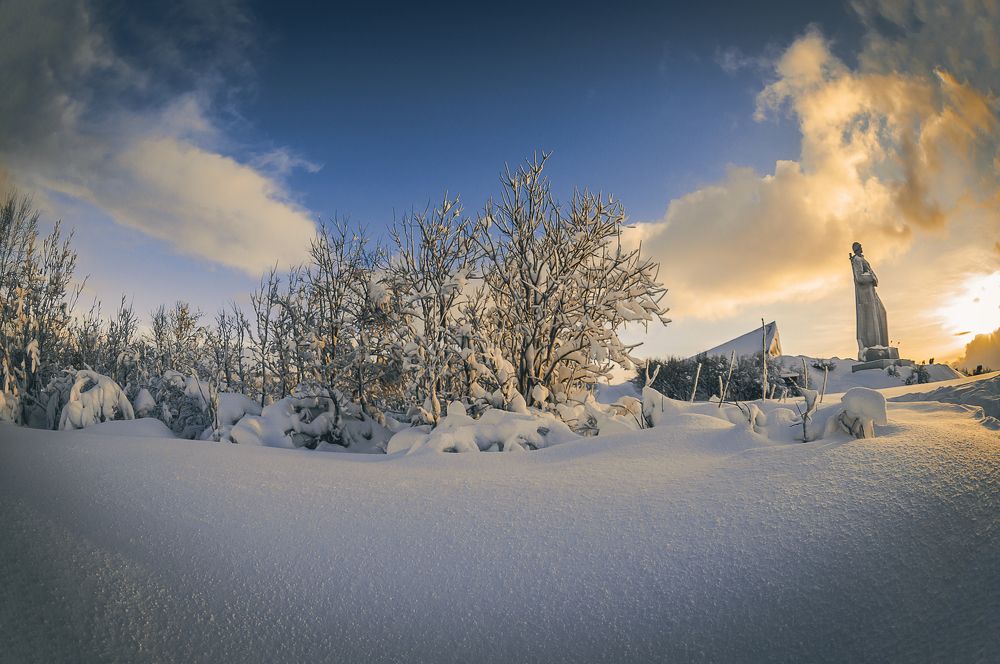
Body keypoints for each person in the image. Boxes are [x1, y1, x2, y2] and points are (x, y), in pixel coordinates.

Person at [851, 242, 889, 361]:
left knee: (882, 313)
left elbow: (874, 278)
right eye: (860, 246)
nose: (862, 247)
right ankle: (873, 345)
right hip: (866, 295)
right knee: (871, 320)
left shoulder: (862, 259)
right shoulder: (857, 260)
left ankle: (882, 345)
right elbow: (859, 277)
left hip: (871, 292)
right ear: (856, 249)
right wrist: (871, 278)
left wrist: (873, 278)